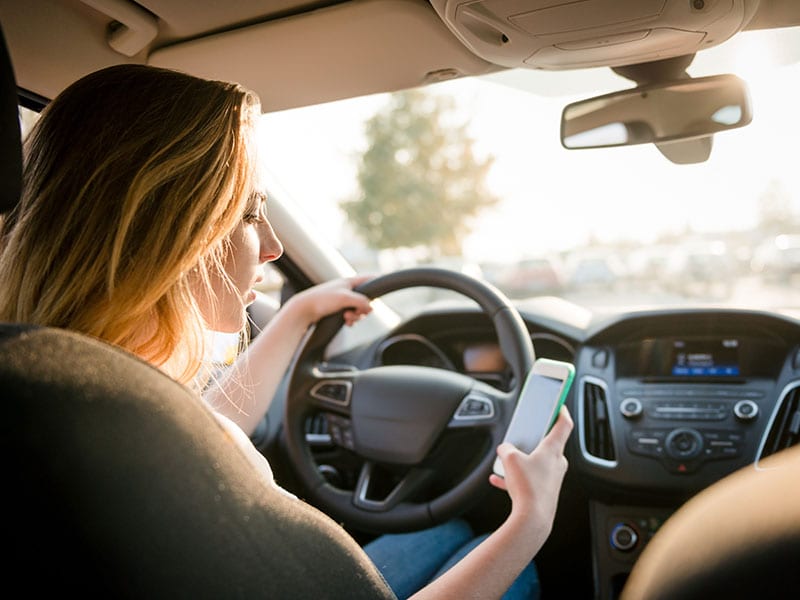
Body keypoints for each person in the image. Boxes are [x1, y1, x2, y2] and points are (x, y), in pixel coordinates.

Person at [0, 63, 573, 599]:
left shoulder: (58, 392)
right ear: (172, 235)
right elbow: (206, 442)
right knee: (510, 564)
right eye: (249, 213)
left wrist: (298, 316)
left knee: (443, 536)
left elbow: (194, 430)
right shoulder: (156, 448)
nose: (274, 248)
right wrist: (532, 520)